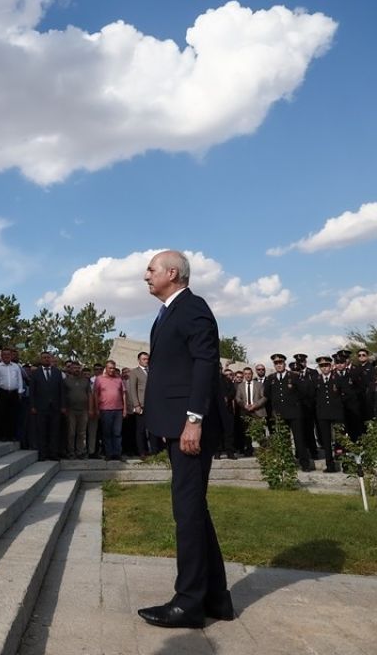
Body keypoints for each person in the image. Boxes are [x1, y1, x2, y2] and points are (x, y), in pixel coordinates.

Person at [136, 250, 233, 629]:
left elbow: (205, 363)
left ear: (172, 273)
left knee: (187, 513)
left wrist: (194, 419)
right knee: (195, 511)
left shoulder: (192, 308)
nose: (146, 275)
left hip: (189, 427)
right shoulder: (167, 312)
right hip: (176, 424)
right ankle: (215, 597)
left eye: (151, 269)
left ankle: (189, 602)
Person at [264, 353, 314, 471]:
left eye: (280, 363)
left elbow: (303, 392)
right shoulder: (270, 378)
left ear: (284, 363)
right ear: (274, 365)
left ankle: (304, 464)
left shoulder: (294, 376)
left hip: (295, 413)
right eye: (276, 363)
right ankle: (288, 463)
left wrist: (295, 403)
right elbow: (267, 394)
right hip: (280, 414)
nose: (278, 365)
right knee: (284, 440)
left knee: (299, 440)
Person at [28, 351, 67, 461]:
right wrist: (32, 406)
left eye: (48, 358)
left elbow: (62, 391)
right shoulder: (36, 373)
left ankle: (53, 454)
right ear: (41, 360)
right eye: (44, 358)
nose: (46, 359)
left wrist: (63, 405)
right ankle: (43, 454)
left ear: (50, 359)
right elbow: (32, 391)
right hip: (41, 407)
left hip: (55, 407)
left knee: (54, 431)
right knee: (42, 431)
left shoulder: (57, 372)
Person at [312, 356, 348, 472]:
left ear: (331, 366)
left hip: (337, 413)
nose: (324, 368)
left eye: (326, 365)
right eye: (322, 366)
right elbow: (313, 397)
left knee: (341, 439)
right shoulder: (316, 380)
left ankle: (345, 464)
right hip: (323, 414)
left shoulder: (338, 378)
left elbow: (346, 395)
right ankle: (330, 465)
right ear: (319, 368)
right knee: (326, 441)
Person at [93, 360, 128, 461]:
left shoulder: (119, 380)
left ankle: (117, 453)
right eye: (110, 368)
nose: (112, 370)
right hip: (105, 410)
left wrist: (125, 409)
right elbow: (95, 394)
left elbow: (124, 394)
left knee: (117, 433)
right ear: (106, 368)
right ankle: (109, 453)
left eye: (113, 368)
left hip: (118, 409)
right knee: (107, 433)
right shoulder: (99, 379)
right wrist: (96, 408)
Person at [0, 348, 23, 442]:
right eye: (4, 354)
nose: (6, 356)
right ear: (1, 356)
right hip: (2, 392)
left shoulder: (16, 366)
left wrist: (20, 392)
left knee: (13, 415)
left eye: (8, 354)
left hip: (14, 392)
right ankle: (3, 435)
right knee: (2, 414)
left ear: (11, 356)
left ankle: (12, 435)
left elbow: (19, 379)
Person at [63, 361, 92, 458]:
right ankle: (71, 451)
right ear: (70, 369)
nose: (76, 369)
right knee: (71, 432)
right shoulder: (66, 381)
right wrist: (63, 407)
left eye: (78, 368)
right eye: (74, 368)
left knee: (82, 432)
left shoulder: (85, 381)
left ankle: (80, 452)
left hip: (83, 410)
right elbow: (62, 395)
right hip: (71, 410)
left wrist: (90, 409)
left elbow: (89, 395)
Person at [234, 365, 264, 456]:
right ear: (244, 375)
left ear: (252, 374)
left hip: (257, 410)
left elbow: (264, 397)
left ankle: (263, 449)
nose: (247, 376)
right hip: (245, 411)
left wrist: (255, 405)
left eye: (249, 374)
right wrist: (244, 405)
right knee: (246, 432)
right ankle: (249, 449)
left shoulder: (259, 385)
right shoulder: (240, 386)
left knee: (260, 431)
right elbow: (238, 398)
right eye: (245, 374)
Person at [128, 352, 151, 457]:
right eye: (144, 359)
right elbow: (133, 389)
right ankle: (141, 451)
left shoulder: (152, 371)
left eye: (147, 359)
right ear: (139, 360)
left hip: (153, 405)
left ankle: (154, 450)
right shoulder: (134, 372)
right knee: (140, 430)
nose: (146, 361)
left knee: (153, 429)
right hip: (141, 405)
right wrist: (136, 405)